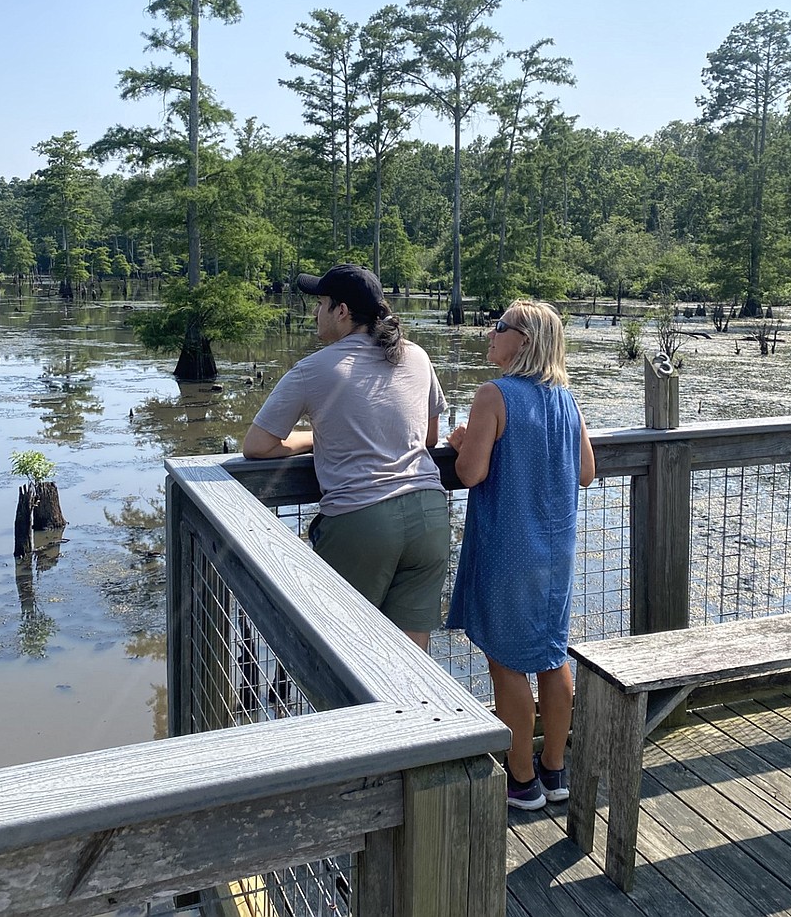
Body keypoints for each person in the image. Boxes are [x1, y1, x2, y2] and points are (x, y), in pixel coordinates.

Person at [243, 264, 451, 650]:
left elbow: (257, 445)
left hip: (362, 520)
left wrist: (313, 439)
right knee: (412, 659)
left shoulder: (313, 369)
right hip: (429, 515)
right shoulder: (418, 356)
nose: (315, 313)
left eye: (320, 303)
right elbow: (430, 436)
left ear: (341, 311)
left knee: (349, 650)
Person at [446, 299, 595, 810]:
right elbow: (586, 472)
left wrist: (464, 440)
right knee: (553, 656)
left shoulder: (495, 394)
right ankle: (555, 771)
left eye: (500, 327)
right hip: (554, 553)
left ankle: (521, 779)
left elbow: (469, 474)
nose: (490, 333)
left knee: (506, 663)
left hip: (509, 548)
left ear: (524, 341)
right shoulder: (565, 399)